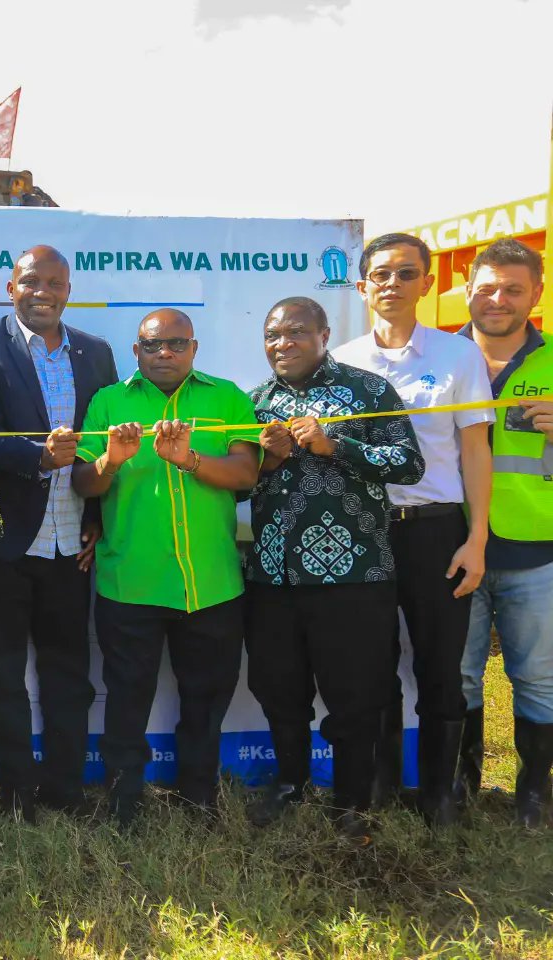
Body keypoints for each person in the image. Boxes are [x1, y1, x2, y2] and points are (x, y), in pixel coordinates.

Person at [245, 296, 425, 842]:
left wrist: (334, 444)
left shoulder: (367, 391)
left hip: (354, 577)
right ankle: (290, 784)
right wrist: (266, 459)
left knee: (355, 694)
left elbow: (410, 463)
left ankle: (351, 802)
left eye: (296, 332)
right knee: (279, 689)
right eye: (274, 334)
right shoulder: (253, 403)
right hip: (273, 576)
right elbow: (235, 481)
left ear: (324, 334)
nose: (283, 343)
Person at [71, 308, 261, 825]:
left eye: (177, 344)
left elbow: (246, 474)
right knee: (127, 703)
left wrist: (189, 461)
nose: (165, 353)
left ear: (194, 348)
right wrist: (111, 459)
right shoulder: (109, 403)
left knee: (205, 702)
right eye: (153, 345)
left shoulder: (226, 398)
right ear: (136, 351)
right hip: (129, 583)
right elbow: (83, 484)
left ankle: (200, 802)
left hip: (212, 584)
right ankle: (122, 805)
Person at [332, 232, 493, 827]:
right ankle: (379, 787)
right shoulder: (343, 361)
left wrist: (476, 539)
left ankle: (438, 795)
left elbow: (475, 450)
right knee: (372, 667)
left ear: (427, 282)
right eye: (380, 275)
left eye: (405, 273)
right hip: (365, 534)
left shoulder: (457, 357)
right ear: (362, 287)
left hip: (436, 531)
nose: (391, 285)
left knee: (439, 665)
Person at [0, 245, 118, 822]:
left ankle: (65, 794)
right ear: (11, 286)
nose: (42, 291)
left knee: (69, 676)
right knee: (3, 677)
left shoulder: (96, 354)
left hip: (71, 545)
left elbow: (104, 447)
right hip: (5, 544)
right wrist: (38, 458)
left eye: (54, 282)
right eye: (31, 281)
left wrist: (97, 520)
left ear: (68, 290)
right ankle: (18, 794)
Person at [457, 238, 553, 827]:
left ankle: (534, 792)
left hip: (536, 550)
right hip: (452, 547)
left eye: (513, 288)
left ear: (536, 294)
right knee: (459, 675)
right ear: (468, 286)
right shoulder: (440, 360)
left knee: (538, 676)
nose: (498, 299)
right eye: (487, 286)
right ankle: (463, 784)